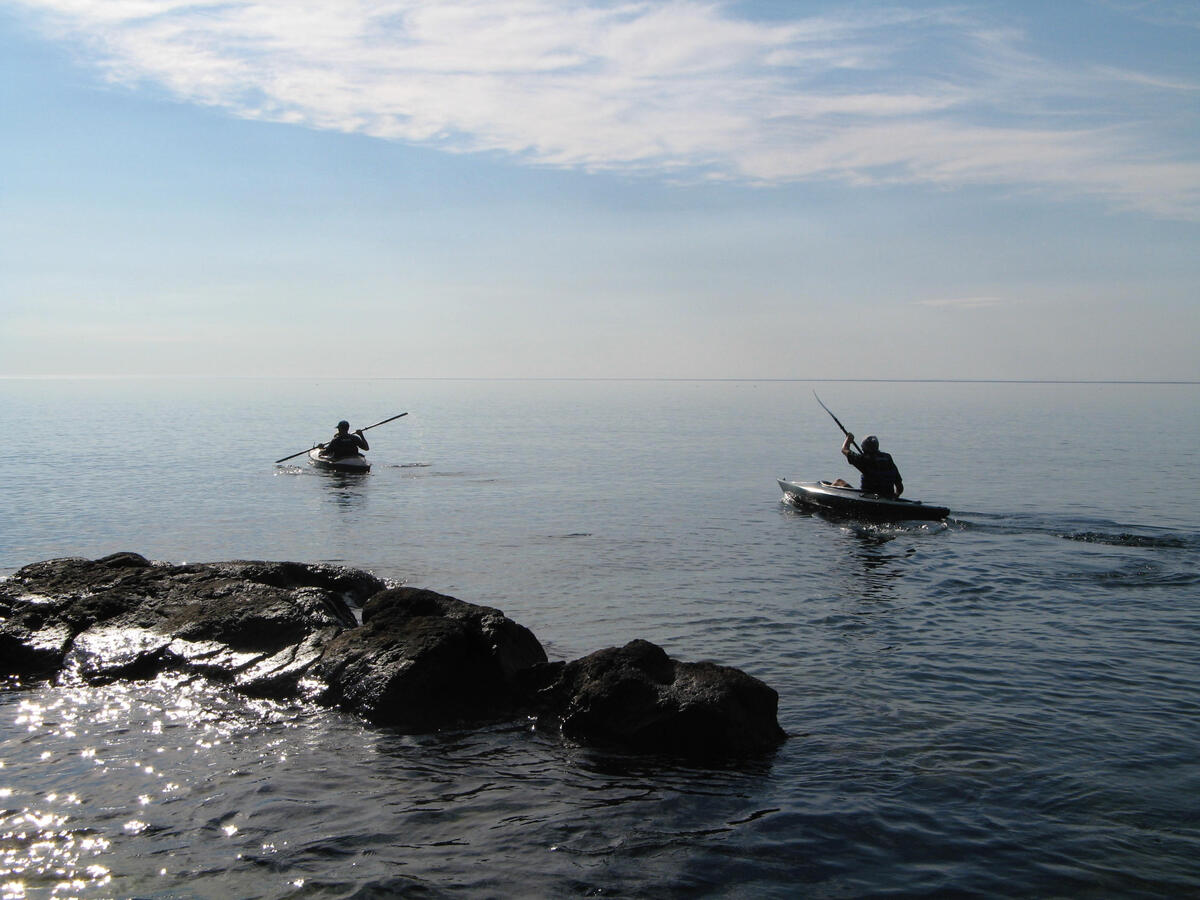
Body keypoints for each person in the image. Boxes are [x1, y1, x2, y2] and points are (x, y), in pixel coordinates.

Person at [841, 433, 903, 499]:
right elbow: (900, 487)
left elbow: (844, 449)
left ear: (864, 448)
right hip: (888, 496)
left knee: (839, 482)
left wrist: (848, 439)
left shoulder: (862, 459)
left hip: (868, 497)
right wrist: (895, 497)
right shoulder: (888, 459)